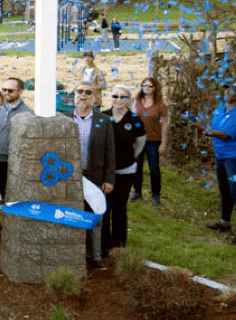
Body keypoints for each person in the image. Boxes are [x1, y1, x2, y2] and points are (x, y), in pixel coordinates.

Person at [63, 81, 115, 269]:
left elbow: (110, 151)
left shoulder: (103, 121)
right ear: (74, 95)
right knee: (71, 215)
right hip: (70, 177)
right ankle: (73, 256)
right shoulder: (65, 118)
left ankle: (95, 257)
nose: (83, 95)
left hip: (94, 176)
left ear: (94, 97)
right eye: (80, 92)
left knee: (94, 216)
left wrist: (109, 179)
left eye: (87, 92)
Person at [198, 83, 236, 245]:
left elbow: (225, 135)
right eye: (227, 89)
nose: (228, 92)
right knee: (225, 191)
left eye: (233, 90)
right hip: (221, 156)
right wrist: (207, 129)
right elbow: (214, 128)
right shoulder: (221, 108)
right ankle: (224, 223)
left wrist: (203, 129)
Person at [101, 86, 145, 258]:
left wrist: (130, 158)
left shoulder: (135, 119)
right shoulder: (103, 116)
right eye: (115, 96)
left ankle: (118, 245)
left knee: (119, 207)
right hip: (105, 170)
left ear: (129, 99)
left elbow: (141, 142)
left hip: (126, 170)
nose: (119, 100)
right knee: (104, 207)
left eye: (123, 97)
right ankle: (103, 244)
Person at [0, 78, 33, 200]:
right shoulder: (1, 110)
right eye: (4, 90)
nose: (6, 93)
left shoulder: (28, 113)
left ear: (20, 92)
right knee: (4, 192)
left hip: (16, 162)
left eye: (10, 90)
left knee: (17, 195)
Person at [131, 77, 169, 206]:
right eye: (144, 85)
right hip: (138, 140)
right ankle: (137, 191)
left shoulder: (160, 105)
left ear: (155, 88)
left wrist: (163, 143)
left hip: (154, 141)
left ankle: (156, 194)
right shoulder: (136, 102)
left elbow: (164, 125)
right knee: (137, 166)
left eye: (150, 86)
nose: (146, 88)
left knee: (154, 168)